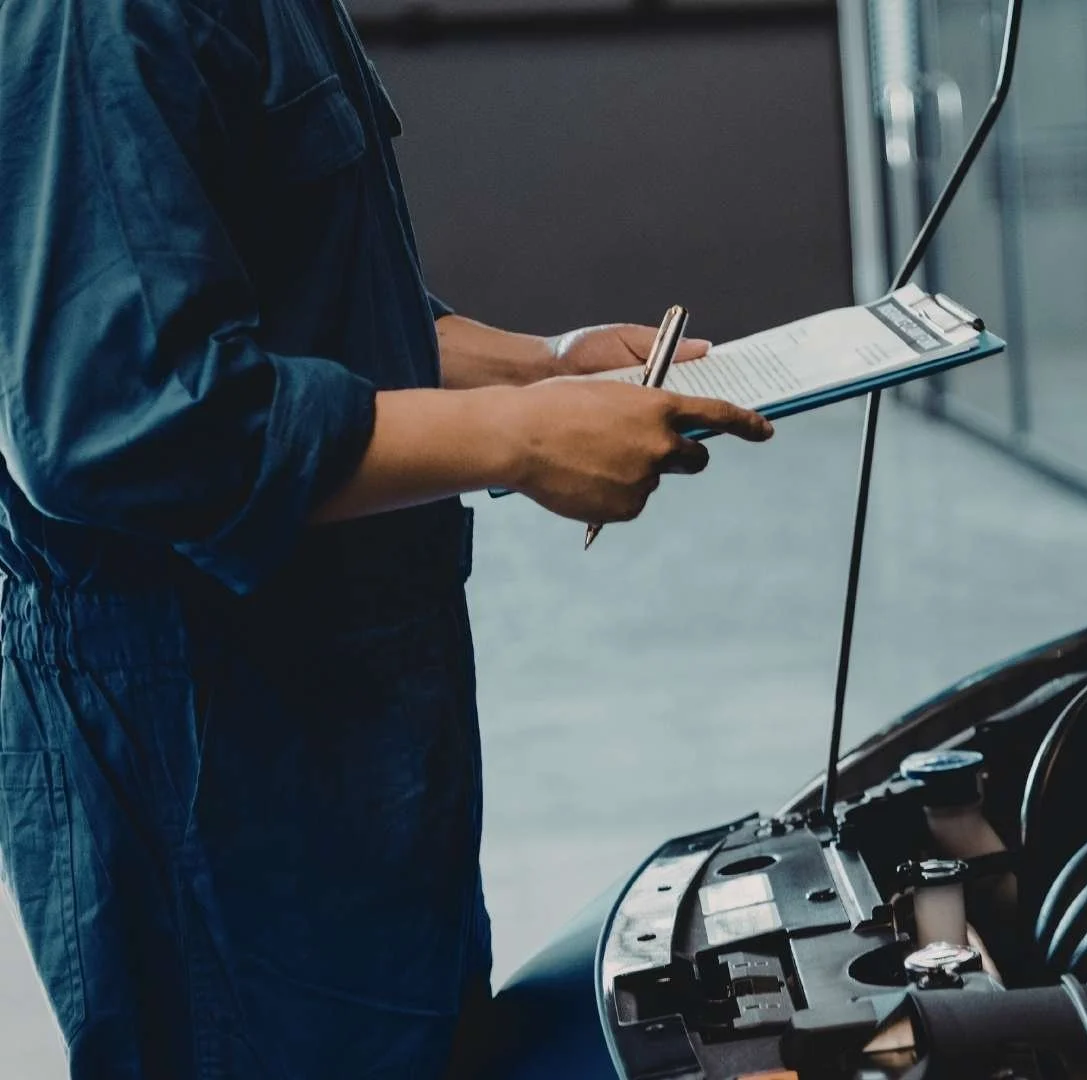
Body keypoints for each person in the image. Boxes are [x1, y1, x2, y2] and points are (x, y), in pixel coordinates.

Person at [0, 0, 774, 1076]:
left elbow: (321, 310)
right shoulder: (98, 17)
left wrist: (548, 367)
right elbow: (125, 419)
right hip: (209, 749)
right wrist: (516, 439)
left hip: (343, 728)